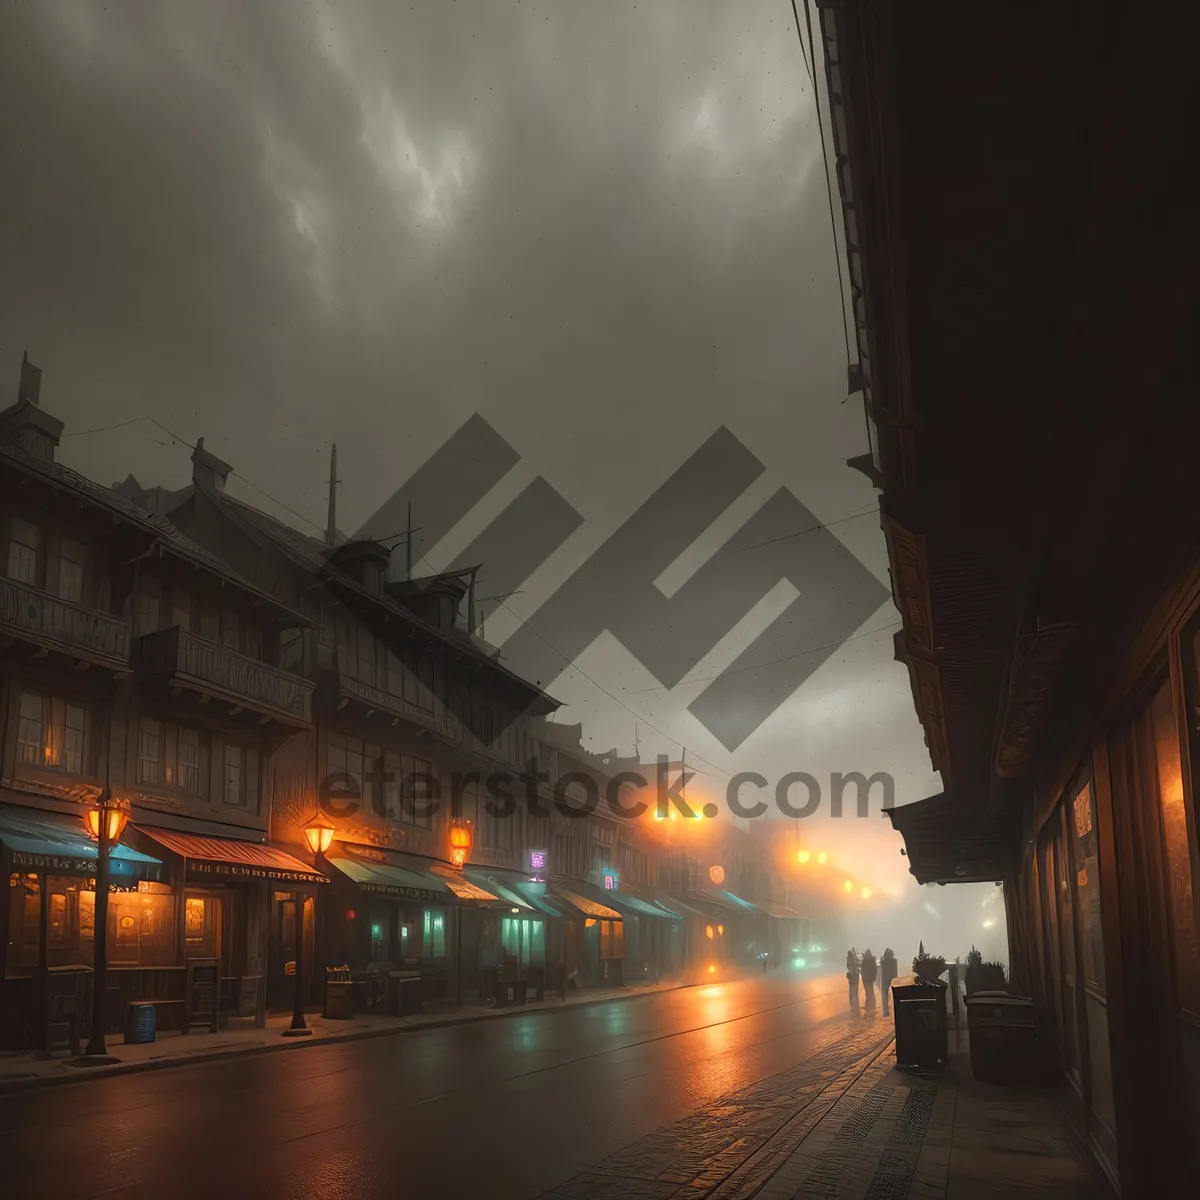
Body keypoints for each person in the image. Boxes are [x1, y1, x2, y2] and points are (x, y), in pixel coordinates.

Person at [880, 948, 897, 1016]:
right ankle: (887, 1011)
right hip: (889, 979)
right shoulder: (893, 961)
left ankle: (886, 1011)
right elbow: (895, 971)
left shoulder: (885, 961)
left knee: (885, 996)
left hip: (887, 979)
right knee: (887, 996)